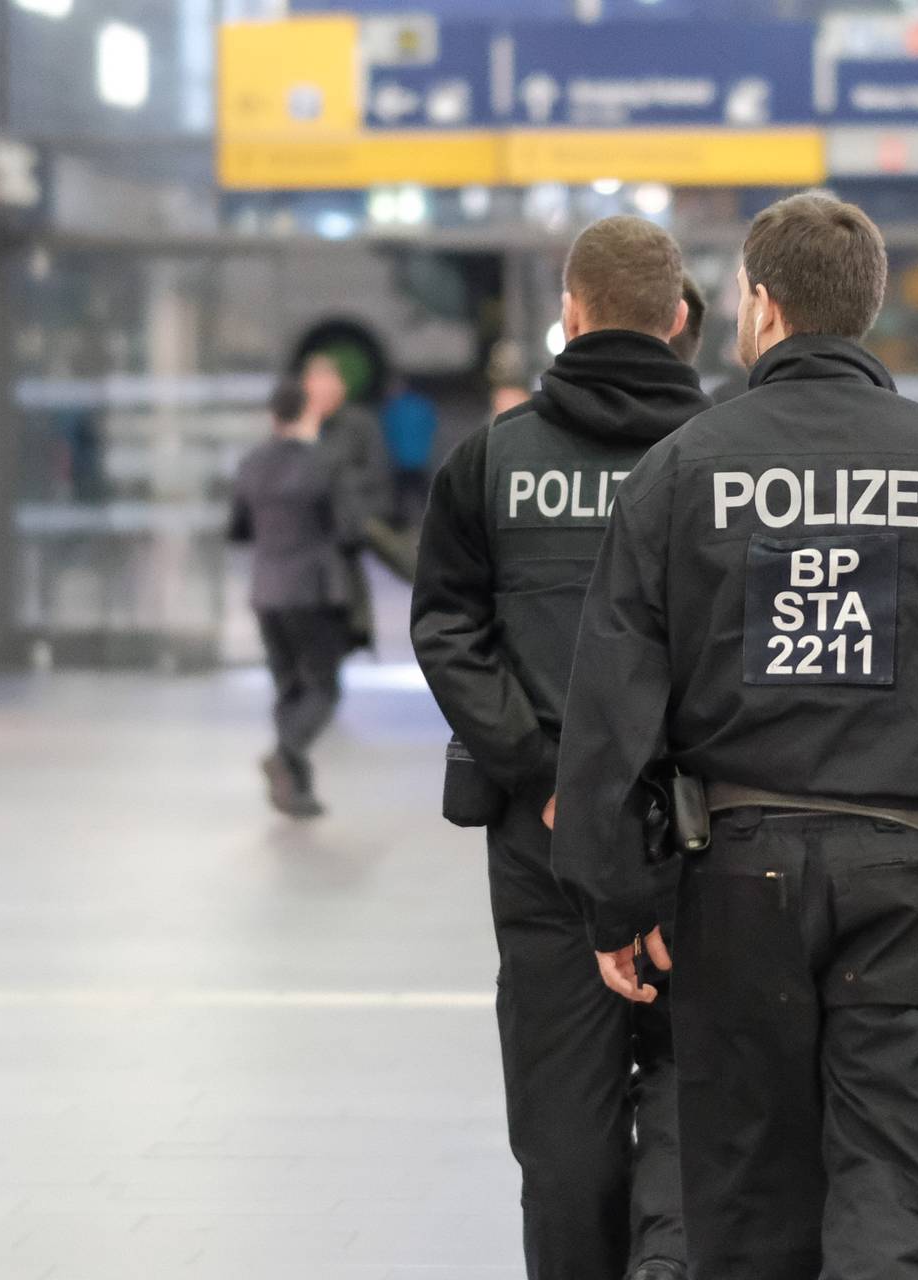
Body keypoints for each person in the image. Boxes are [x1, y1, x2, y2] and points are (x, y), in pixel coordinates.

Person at [551, 191, 918, 1280]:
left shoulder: (684, 469)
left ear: (759, 305)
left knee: (748, 1203)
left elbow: (612, 700)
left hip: (732, 878)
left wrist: (612, 892)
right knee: (899, 1195)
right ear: (865, 310)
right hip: (917, 885)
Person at [411, 215, 711, 1280]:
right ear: (680, 321)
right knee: (697, 1119)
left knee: (565, 1141)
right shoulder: (721, 461)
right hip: (702, 845)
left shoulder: (493, 461)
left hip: (543, 854)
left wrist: (544, 774)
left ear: (570, 314)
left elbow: (446, 624)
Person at [229, 378, 363, 819]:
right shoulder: (323, 464)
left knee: (288, 687)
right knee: (323, 687)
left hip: (266, 590)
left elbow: (238, 529)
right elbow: (347, 529)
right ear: (308, 413)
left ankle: (295, 786)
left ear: (272, 416)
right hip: (312, 589)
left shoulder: (250, 464)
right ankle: (285, 754)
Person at [302, 351, 390, 637]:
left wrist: (340, 486)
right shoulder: (302, 429)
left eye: (328, 386)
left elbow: (377, 472)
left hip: (352, 526)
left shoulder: (359, 424)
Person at [382, 376, 439, 530]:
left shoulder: (393, 408)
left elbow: (387, 431)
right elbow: (432, 426)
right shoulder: (424, 404)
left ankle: (398, 523)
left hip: (401, 460)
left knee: (399, 496)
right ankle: (434, 520)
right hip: (420, 458)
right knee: (423, 494)